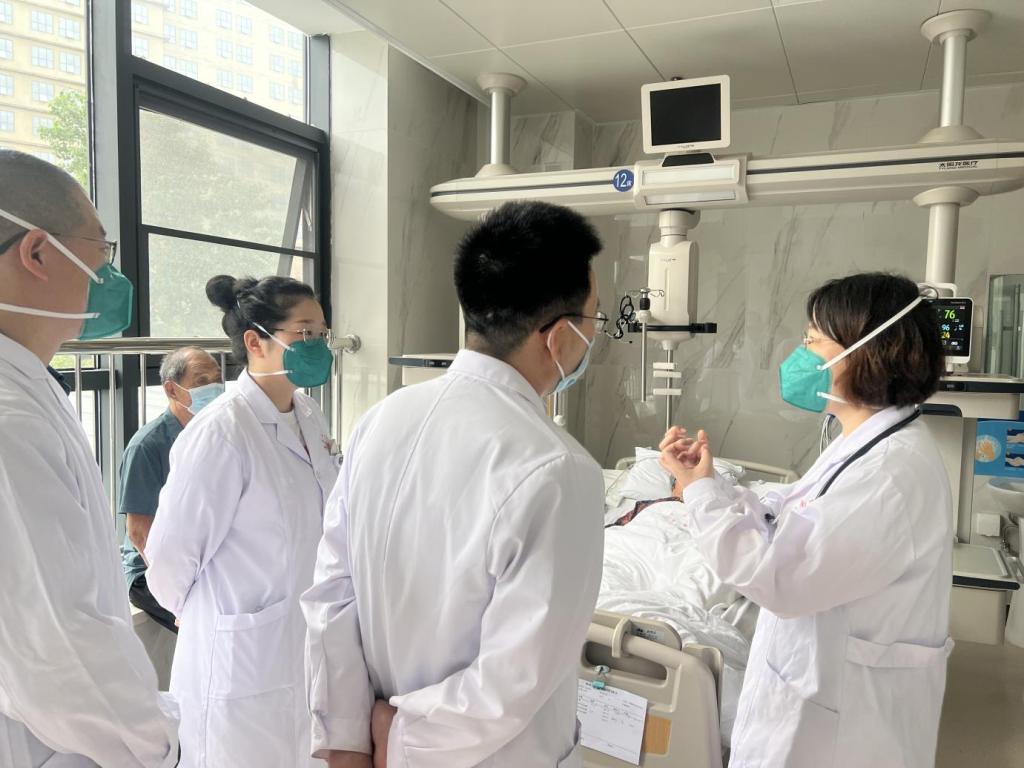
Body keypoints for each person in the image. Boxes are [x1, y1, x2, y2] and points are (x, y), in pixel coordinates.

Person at [303, 200, 607, 768]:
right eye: (594, 320)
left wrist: (348, 737)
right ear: (560, 336)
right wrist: (399, 737)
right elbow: (514, 680)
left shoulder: (382, 418)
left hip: (371, 743)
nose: (594, 335)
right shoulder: (559, 469)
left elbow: (332, 591)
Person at [660, 272, 952, 768]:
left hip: (844, 731)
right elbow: (793, 510)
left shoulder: (888, 474)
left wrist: (700, 494)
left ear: (864, 352)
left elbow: (777, 575)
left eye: (813, 340)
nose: (801, 354)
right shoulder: (867, 440)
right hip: (826, 694)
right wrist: (713, 485)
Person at [0, 150, 179, 766]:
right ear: (38, 252)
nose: (109, 274)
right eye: (100, 250)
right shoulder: (10, 423)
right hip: (48, 743)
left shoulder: (31, 387)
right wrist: (164, 744)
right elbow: (58, 652)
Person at [145, 274, 340, 768]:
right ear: (255, 342)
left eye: (322, 333)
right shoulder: (221, 431)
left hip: (301, 646)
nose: (317, 344)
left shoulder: (309, 415)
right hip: (239, 657)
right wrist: (212, 616)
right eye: (304, 333)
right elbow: (169, 559)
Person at [119, 346, 224, 634]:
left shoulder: (217, 435)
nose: (215, 388)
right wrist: (177, 595)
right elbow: (139, 533)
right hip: (152, 572)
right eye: (202, 382)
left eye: (218, 379)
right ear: (171, 390)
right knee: (211, 625)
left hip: (201, 562)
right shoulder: (148, 446)